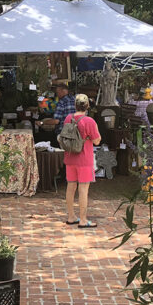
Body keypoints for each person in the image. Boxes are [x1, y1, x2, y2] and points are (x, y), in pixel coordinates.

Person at [63, 94, 102, 228]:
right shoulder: (90, 121)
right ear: (87, 106)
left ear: (75, 105)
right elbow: (97, 140)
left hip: (70, 157)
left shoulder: (68, 118)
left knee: (70, 187)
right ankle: (83, 220)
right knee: (83, 189)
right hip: (84, 159)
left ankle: (71, 216)